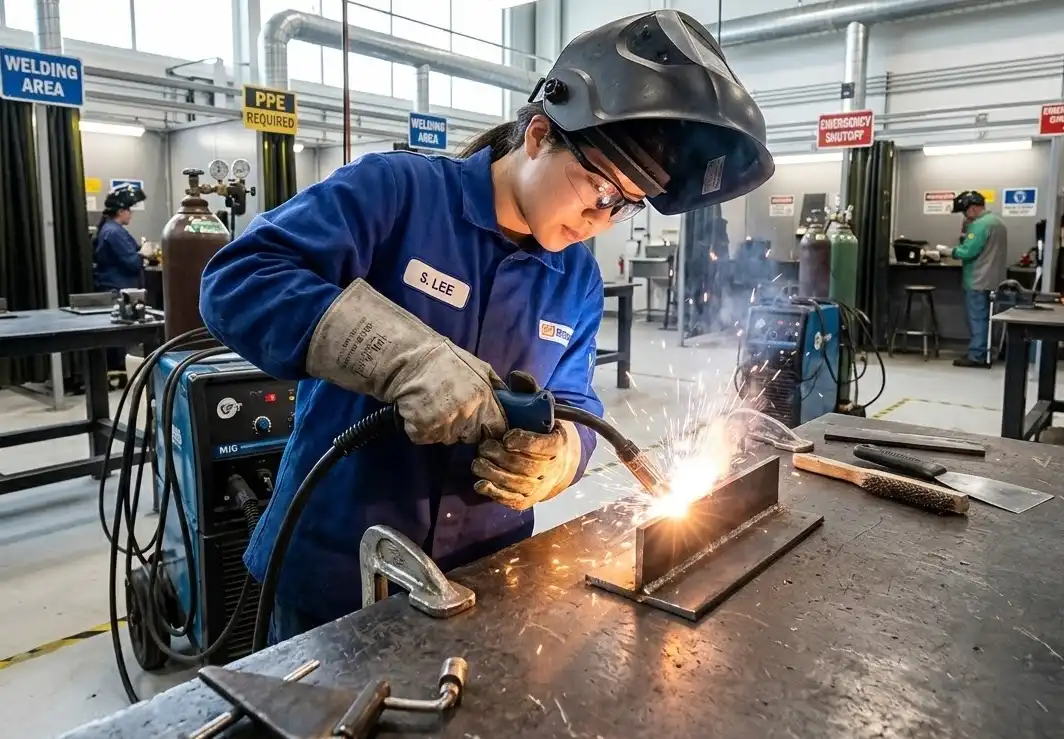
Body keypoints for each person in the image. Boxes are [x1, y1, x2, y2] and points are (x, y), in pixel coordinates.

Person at [199, 9, 774, 644]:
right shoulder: (398, 192)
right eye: (599, 186)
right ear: (537, 135)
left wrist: (560, 459)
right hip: (337, 568)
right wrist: (403, 359)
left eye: (625, 207)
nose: (599, 219)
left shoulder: (576, 277)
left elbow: (577, 399)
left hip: (485, 573)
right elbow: (239, 278)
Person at [937, 191, 1007, 367]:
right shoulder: (998, 222)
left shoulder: (979, 225)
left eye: (964, 211)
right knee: (989, 319)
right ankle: (989, 352)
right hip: (995, 279)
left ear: (973, 208)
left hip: (978, 279)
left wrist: (946, 251)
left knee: (977, 318)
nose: (964, 215)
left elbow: (967, 251)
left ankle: (977, 356)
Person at [93, 184, 150, 382]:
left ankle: (119, 370)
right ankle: (121, 369)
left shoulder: (110, 229)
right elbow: (132, 262)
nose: (131, 215)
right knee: (121, 336)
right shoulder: (114, 232)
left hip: (115, 285)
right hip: (117, 288)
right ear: (121, 211)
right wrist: (143, 254)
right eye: (129, 210)